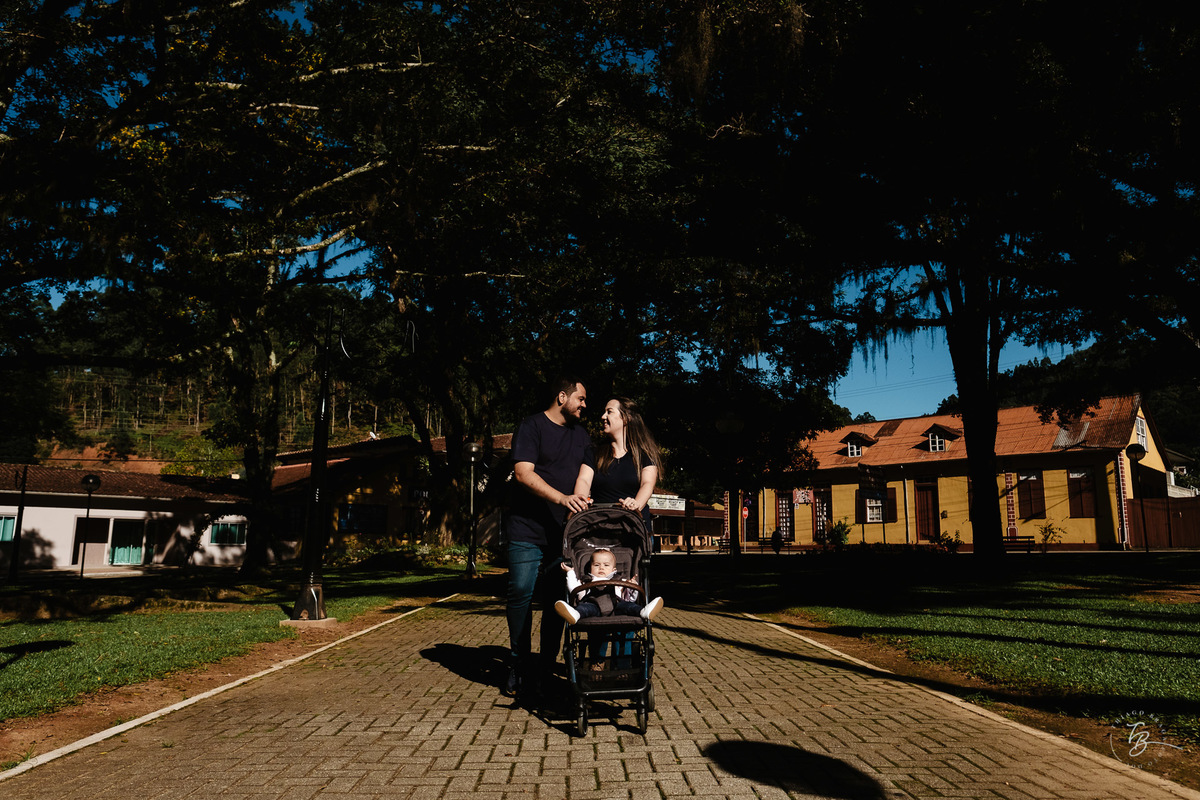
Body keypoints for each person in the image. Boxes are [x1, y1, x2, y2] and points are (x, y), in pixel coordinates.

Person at [504, 376, 591, 701]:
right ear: (561, 396)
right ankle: (518, 664)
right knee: (521, 594)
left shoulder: (581, 435)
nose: (584, 405)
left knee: (557, 604)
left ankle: (544, 668)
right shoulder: (531, 426)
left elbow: (584, 475)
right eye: (580, 398)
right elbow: (523, 473)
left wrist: (578, 501)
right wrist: (562, 498)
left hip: (562, 535)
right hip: (525, 529)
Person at [573, 396, 661, 520]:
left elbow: (647, 484)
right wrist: (581, 499)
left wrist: (636, 505)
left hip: (632, 528)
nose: (603, 416)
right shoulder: (593, 452)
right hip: (599, 527)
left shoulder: (645, 454)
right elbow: (584, 480)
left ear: (626, 418)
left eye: (609, 412)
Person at [554, 547, 663, 624]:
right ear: (590, 567)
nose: (601, 568)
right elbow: (574, 588)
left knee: (629, 606)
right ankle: (575, 614)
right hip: (593, 606)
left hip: (617, 605)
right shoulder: (586, 581)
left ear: (613, 569)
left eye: (606, 565)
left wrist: (632, 588)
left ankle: (643, 611)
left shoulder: (620, 581)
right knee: (584, 608)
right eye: (596, 565)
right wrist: (570, 572)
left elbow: (630, 599)